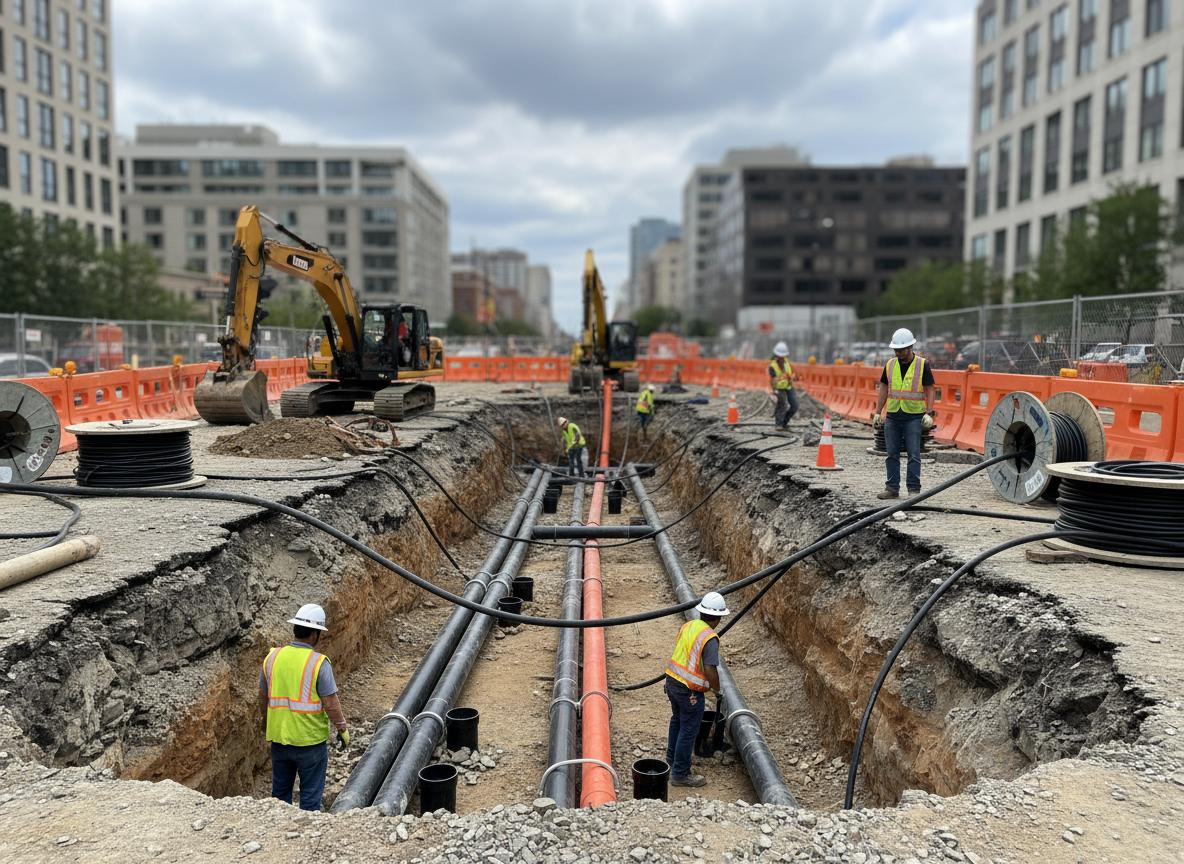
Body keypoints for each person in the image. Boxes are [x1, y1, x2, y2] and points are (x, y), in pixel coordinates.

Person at [259, 603, 349, 811]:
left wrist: (266, 723)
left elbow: (263, 698)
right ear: (315, 634)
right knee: (310, 798)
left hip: (280, 739)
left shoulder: (272, 658)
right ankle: (307, 839)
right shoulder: (318, 662)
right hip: (310, 743)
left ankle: (280, 836)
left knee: (280, 796)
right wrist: (342, 728)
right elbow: (331, 703)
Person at [664, 591, 729, 788]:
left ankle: (671, 760)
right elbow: (710, 668)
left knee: (677, 721)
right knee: (688, 728)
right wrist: (716, 690)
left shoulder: (689, 626)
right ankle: (681, 774)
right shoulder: (710, 638)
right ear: (717, 618)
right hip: (688, 690)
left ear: (701, 612)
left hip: (672, 681)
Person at [872, 328, 936, 499]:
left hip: (913, 416)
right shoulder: (890, 364)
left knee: (913, 454)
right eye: (896, 350)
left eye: (901, 350)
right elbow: (884, 387)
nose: (898, 353)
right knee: (891, 453)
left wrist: (929, 412)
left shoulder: (923, 364)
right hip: (893, 415)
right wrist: (878, 412)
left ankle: (913, 490)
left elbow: (930, 389)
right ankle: (892, 488)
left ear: (910, 347)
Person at [768, 341, 798, 430]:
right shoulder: (772, 366)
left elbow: (793, 373)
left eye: (783, 356)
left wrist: (792, 376)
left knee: (795, 405)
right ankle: (779, 424)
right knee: (782, 403)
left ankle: (784, 422)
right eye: (779, 356)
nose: (781, 358)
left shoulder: (787, 363)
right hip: (778, 388)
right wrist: (774, 390)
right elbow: (772, 380)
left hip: (788, 386)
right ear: (776, 355)